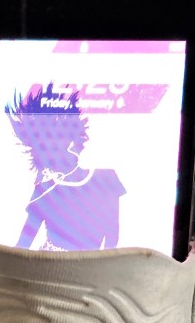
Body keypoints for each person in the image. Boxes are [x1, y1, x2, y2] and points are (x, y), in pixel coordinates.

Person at [7, 82, 126, 251]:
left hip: (91, 264)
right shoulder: (45, 190)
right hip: (47, 262)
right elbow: (22, 246)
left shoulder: (106, 179)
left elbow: (112, 235)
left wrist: (101, 264)